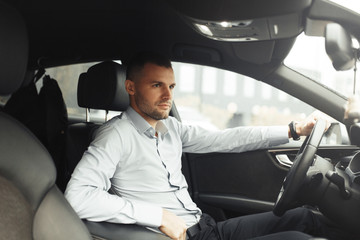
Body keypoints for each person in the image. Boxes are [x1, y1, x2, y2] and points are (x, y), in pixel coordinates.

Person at [65, 52, 333, 240]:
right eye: (157, 85)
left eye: (171, 86)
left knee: (305, 218)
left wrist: (293, 130)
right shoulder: (115, 135)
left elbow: (228, 139)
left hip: (209, 229)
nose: (168, 96)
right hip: (180, 236)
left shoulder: (171, 128)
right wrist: (157, 216)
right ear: (130, 87)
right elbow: (77, 197)